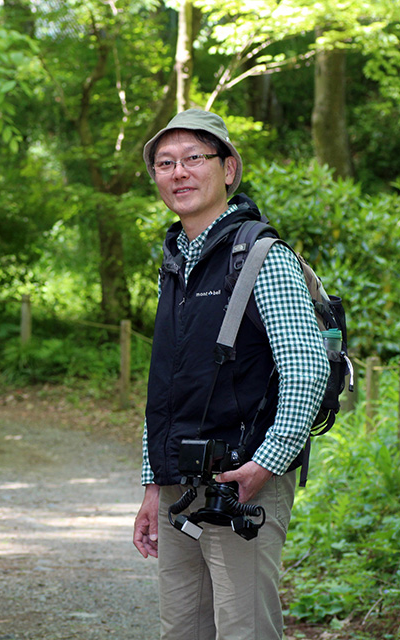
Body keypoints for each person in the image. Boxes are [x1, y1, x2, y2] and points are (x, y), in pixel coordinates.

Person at [131, 109, 330, 640]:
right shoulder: (175, 261)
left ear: (229, 169)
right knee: (183, 631)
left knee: (246, 631)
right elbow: (165, 390)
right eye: (165, 163)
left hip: (243, 483)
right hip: (179, 486)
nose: (179, 173)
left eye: (194, 158)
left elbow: (307, 369)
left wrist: (267, 464)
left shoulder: (262, 256)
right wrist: (154, 485)